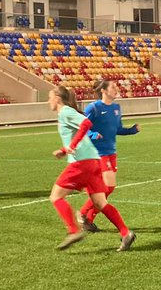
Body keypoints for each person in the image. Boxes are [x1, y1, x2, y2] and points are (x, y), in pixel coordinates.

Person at [48, 85, 135, 252]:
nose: (48, 101)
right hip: (93, 161)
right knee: (100, 202)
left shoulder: (65, 111)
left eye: (50, 97)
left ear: (57, 98)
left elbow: (86, 122)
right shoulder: (65, 113)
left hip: (82, 163)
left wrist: (70, 147)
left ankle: (74, 231)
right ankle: (126, 233)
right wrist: (66, 149)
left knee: (56, 197)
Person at [77, 78, 140, 233]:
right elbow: (81, 128)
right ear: (103, 91)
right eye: (113, 87)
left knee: (109, 188)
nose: (116, 89)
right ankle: (83, 213)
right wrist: (93, 134)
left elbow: (117, 129)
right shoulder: (94, 108)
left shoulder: (117, 108)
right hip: (97, 154)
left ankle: (88, 218)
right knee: (106, 187)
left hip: (111, 153)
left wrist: (131, 130)